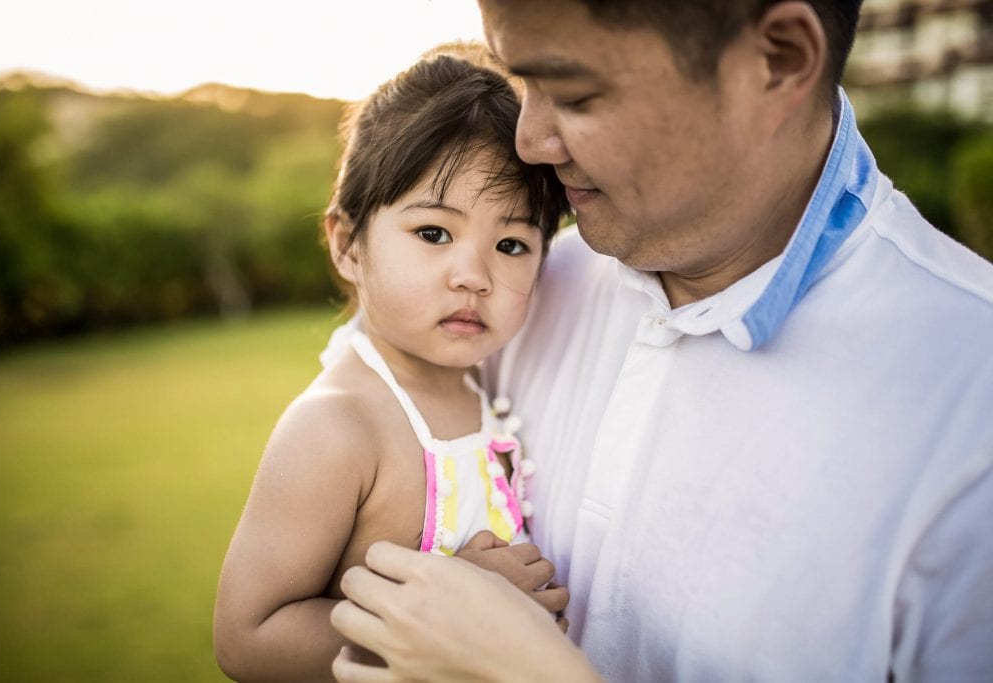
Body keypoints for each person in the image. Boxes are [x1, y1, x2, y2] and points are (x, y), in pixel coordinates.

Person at [329, 1, 993, 681]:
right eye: (523, 84)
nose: (530, 141)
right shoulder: (522, 289)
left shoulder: (972, 417)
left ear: (781, 60)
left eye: (576, 94)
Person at [213, 52, 571, 681]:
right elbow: (249, 637)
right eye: (434, 233)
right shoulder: (339, 427)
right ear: (349, 245)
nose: (473, 277)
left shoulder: (483, 386)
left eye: (511, 245)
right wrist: (456, 603)